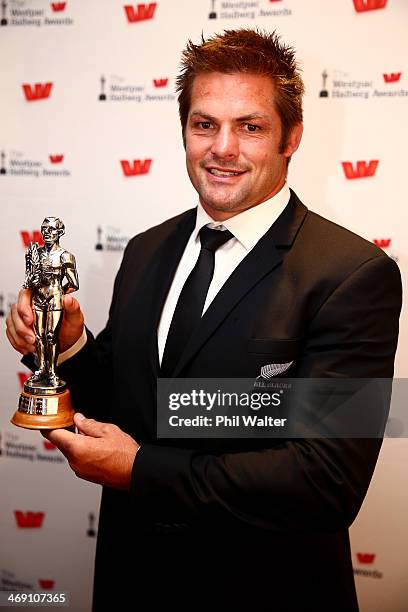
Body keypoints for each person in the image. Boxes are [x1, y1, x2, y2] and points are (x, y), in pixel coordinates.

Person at [6, 30, 402, 611]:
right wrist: (67, 349)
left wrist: (141, 470)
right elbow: (133, 404)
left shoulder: (353, 274)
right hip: (133, 580)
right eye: (204, 124)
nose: (223, 148)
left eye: (250, 126)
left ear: (291, 137)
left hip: (263, 592)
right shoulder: (146, 250)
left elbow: (326, 482)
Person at [22, 216, 79, 387]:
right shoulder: (35, 254)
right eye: (44, 229)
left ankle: (52, 372)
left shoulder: (65, 256)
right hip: (38, 298)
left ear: (60, 232)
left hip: (54, 297)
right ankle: (41, 371)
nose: (47, 233)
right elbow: (29, 279)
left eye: (52, 229)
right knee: (39, 337)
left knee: (50, 335)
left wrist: (60, 292)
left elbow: (74, 283)